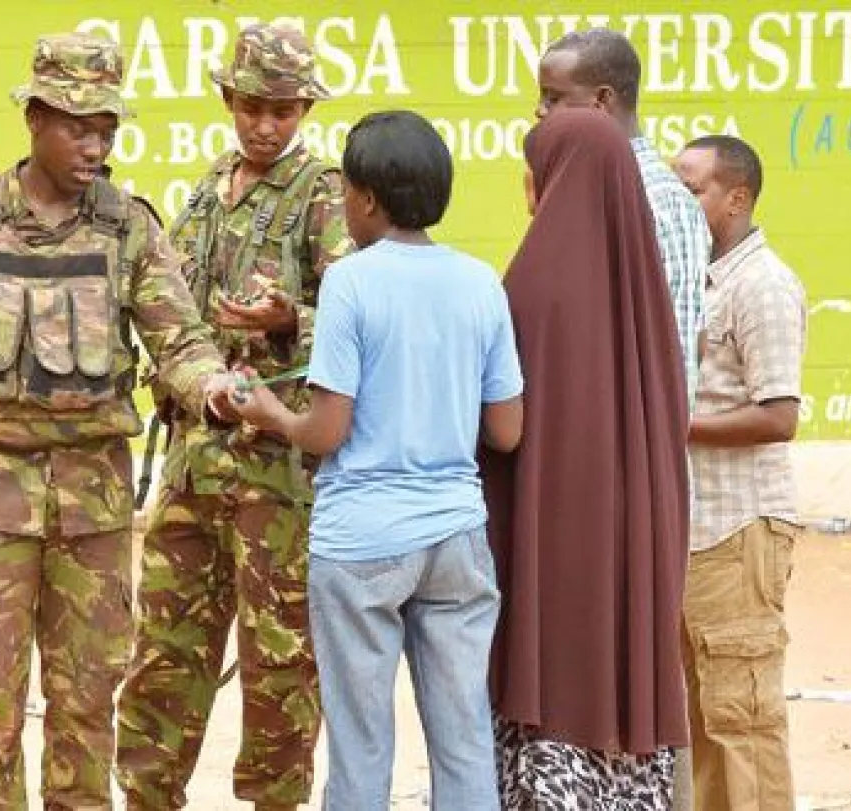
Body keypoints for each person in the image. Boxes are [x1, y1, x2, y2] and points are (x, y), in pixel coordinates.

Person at [0, 32, 233, 811]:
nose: (95, 143)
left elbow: (178, 335)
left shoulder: (128, 227)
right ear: (36, 117)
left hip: (94, 509)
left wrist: (212, 387)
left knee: (86, 709)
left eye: (107, 127)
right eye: (78, 125)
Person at [227, 110, 524, 811]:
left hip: (360, 539)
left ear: (364, 199)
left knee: (361, 744)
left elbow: (328, 429)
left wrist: (267, 412)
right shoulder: (481, 282)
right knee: (463, 738)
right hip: (456, 537)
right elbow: (507, 429)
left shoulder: (351, 283)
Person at [115, 23, 351, 811]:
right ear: (228, 99)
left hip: (279, 477)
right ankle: (149, 792)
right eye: (254, 106)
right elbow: (169, 311)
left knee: (279, 659)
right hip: (192, 462)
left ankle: (276, 801)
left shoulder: (323, 195)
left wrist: (292, 322)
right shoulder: (205, 190)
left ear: (305, 111)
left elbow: (361, 316)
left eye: (284, 110)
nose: (267, 124)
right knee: (166, 649)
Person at [481, 107, 692, 808]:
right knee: (620, 653)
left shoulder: (530, 287)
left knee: (553, 669)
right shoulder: (646, 290)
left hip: (554, 539)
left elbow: (501, 427)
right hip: (636, 536)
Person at [673, 135, 807, 811]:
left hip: (741, 528)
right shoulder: (697, 280)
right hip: (698, 532)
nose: (678, 198)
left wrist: (672, 425)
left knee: (743, 720)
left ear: (737, 196)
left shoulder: (764, 285)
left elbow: (779, 415)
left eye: (691, 187)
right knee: (701, 721)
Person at [535, 28, 710, 403]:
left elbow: (661, 348)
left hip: (632, 440)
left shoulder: (655, 199)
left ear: (601, 101)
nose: (540, 111)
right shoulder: (585, 185)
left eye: (555, 98)